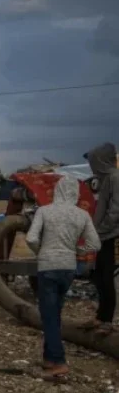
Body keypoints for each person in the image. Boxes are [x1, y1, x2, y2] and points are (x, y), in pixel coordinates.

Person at [26, 175, 100, 378]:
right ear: (75, 192)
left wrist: (40, 251)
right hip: (68, 268)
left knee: (48, 315)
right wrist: (78, 249)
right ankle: (49, 358)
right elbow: (95, 244)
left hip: (48, 267)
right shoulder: (82, 215)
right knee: (55, 313)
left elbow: (31, 237)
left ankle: (59, 362)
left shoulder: (44, 211)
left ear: (57, 190)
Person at [84, 143, 119, 334]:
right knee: (99, 276)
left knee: (108, 277)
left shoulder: (115, 178)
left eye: (93, 161)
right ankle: (101, 317)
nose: (91, 166)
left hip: (113, 236)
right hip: (103, 236)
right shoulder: (106, 179)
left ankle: (107, 321)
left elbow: (116, 211)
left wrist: (101, 229)